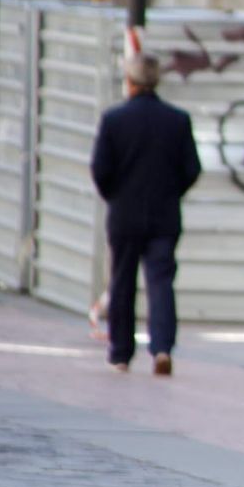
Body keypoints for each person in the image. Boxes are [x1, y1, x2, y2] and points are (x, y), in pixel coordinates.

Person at [89, 51, 200, 376]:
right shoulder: (178, 120)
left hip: (124, 214)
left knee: (122, 281)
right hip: (164, 214)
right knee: (161, 281)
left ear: (130, 81)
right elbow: (191, 168)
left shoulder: (114, 120)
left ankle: (121, 353)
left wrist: (116, 196)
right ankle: (162, 348)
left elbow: (100, 169)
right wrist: (171, 193)